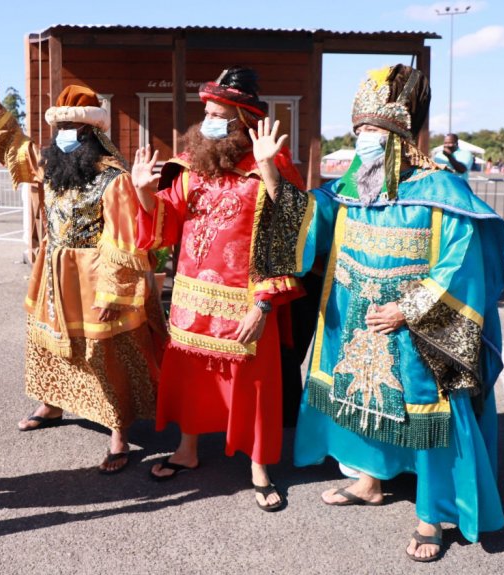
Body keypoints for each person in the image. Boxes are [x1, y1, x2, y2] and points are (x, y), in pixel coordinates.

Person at [252, 64, 504, 561]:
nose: (362, 140)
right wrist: (268, 170)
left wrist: (408, 309)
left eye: (370, 130)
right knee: (362, 405)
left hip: (420, 331)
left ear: (397, 136)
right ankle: (369, 481)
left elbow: (463, 267)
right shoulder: (348, 191)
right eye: (357, 131)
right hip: (355, 322)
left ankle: (431, 516)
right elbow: (309, 223)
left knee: (430, 417)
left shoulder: (443, 193)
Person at [0, 66, 165, 474]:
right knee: (46, 342)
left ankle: (118, 430)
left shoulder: (113, 179)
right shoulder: (53, 168)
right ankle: (52, 403)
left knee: (103, 351)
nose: (62, 137)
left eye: (73, 128)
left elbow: (125, 238)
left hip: (95, 277)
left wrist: (114, 293)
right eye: (60, 128)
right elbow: (16, 147)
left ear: (90, 133)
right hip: (53, 274)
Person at [130, 67, 305, 511]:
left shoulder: (271, 167)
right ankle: (187, 450)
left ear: (242, 120)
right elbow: (167, 223)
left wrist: (265, 303)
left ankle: (259, 465)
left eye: (216, 113)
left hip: (247, 299)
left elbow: (292, 236)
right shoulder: (190, 166)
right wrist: (146, 195)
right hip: (190, 296)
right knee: (191, 375)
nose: (206, 120)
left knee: (255, 382)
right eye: (205, 112)